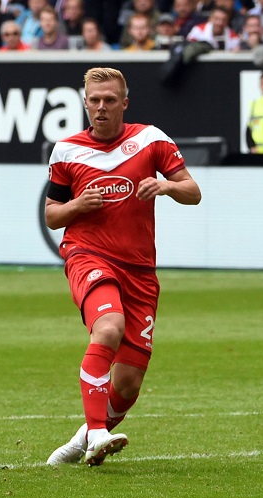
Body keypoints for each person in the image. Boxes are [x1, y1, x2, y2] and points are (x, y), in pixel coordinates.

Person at [44, 67, 201, 467]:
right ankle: (98, 431)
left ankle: (84, 437)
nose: (101, 107)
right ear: (84, 103)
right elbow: (52, 215)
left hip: (140, 272)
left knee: (128, 383)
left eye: (109, 100)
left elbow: (193, 192)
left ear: (124, 103)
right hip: (89, 255)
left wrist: (165, 186)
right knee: (109, 326)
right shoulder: (66, 150)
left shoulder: (150, 140)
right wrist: (78, 206)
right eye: (94, 100)